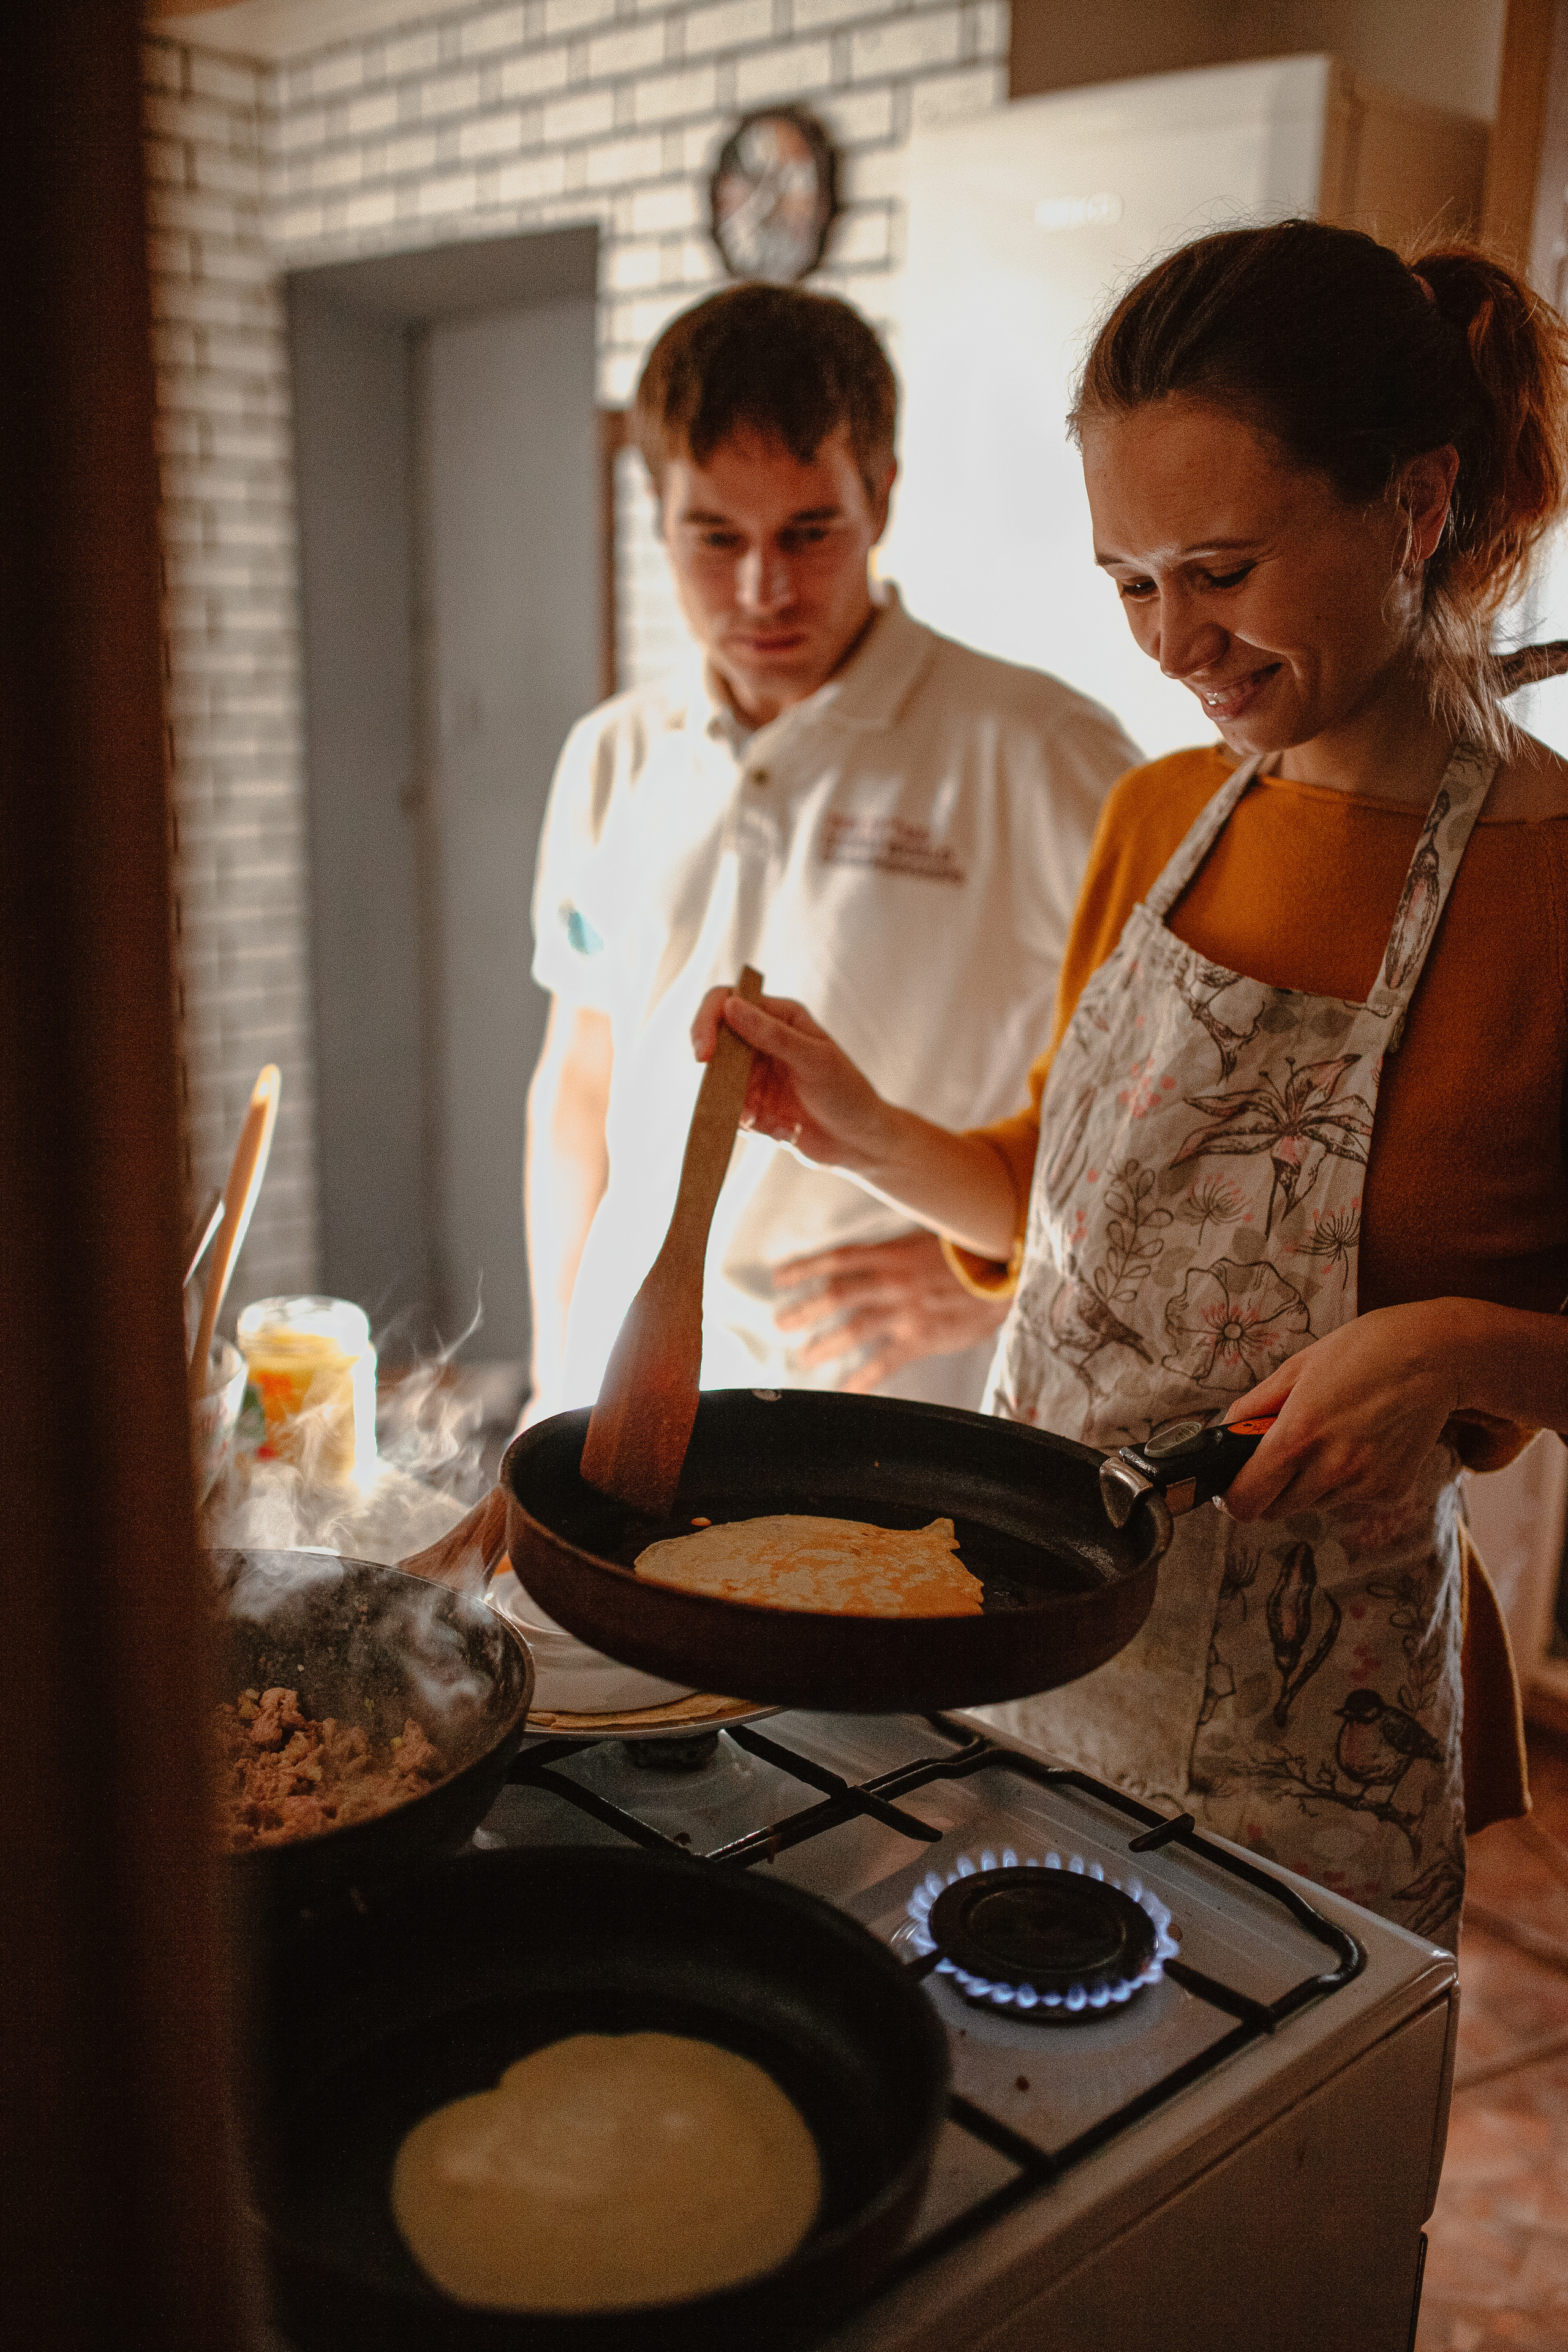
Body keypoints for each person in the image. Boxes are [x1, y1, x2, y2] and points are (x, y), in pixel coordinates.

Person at [693, 221, 1568, 1950]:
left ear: (1413, 505)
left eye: (1225, 569)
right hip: (1023, 1665)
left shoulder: (1551, 893)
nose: (1176, 640)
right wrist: (861, 1128)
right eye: (1131, 579)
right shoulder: (1162, 816)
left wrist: (1460, 1351)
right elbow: (1071, 1221)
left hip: (1309, 1758)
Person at [524, 282, 1140, 1423]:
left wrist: (997, 1281)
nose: (764, 589)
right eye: (715, 538)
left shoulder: (1039, 750)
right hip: (632, 1394)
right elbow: (578, 1083)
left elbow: (1164, 1098)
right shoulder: (612, 755)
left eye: (809, 533)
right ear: (654, 509)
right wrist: (552, 1372)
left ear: (884, 497)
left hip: (892, 1408)